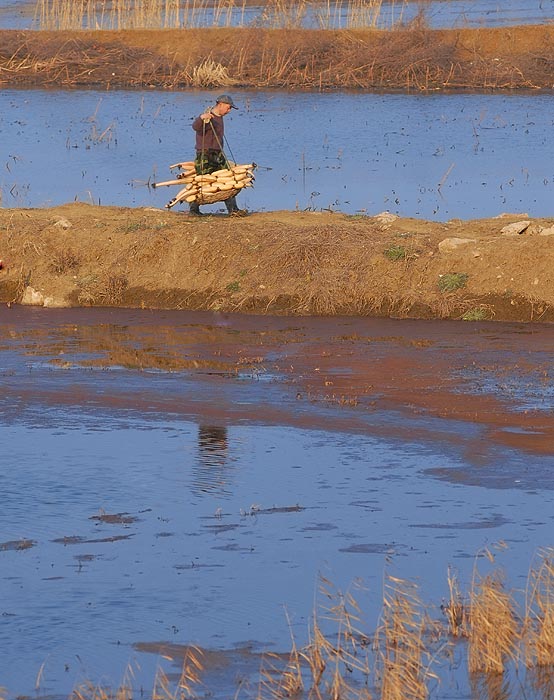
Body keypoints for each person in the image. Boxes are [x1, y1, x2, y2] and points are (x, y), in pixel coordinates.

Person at [190, 94, 247, 217]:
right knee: (202, 181)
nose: (229, 110)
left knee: (229, 178)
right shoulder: (207, 116)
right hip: (204, 153)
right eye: (228, 107)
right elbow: (195, 126)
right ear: (220, 104)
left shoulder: (220, 117)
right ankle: (193, 210)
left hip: (218, 153)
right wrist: (201, 118)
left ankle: (233, 210)